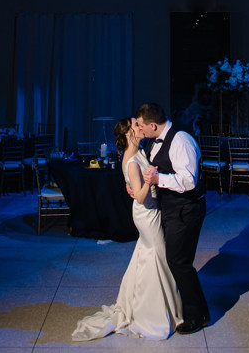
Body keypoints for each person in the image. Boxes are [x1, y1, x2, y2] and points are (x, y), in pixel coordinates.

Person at [72, 117, 182, 341]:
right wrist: (151, 180)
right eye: (135, 125)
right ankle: (153, 313)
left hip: (152, 211)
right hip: (146, 213)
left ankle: (160, 306)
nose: (140, 127)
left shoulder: (138, 153)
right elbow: (140, 197)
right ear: (129, 134)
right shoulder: (131, 161)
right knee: (158, 255)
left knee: (151, 256)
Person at [135, 102, 210, 334]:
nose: (140, 130)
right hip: (169, 208)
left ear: (153, 125)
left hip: (186, 209)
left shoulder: (181, 141)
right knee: (173, 259)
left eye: (141, 126)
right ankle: (180, 305)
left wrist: (159, 180)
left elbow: (189, 181)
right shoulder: (154, 142)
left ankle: (199, 315)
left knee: (179, 261)